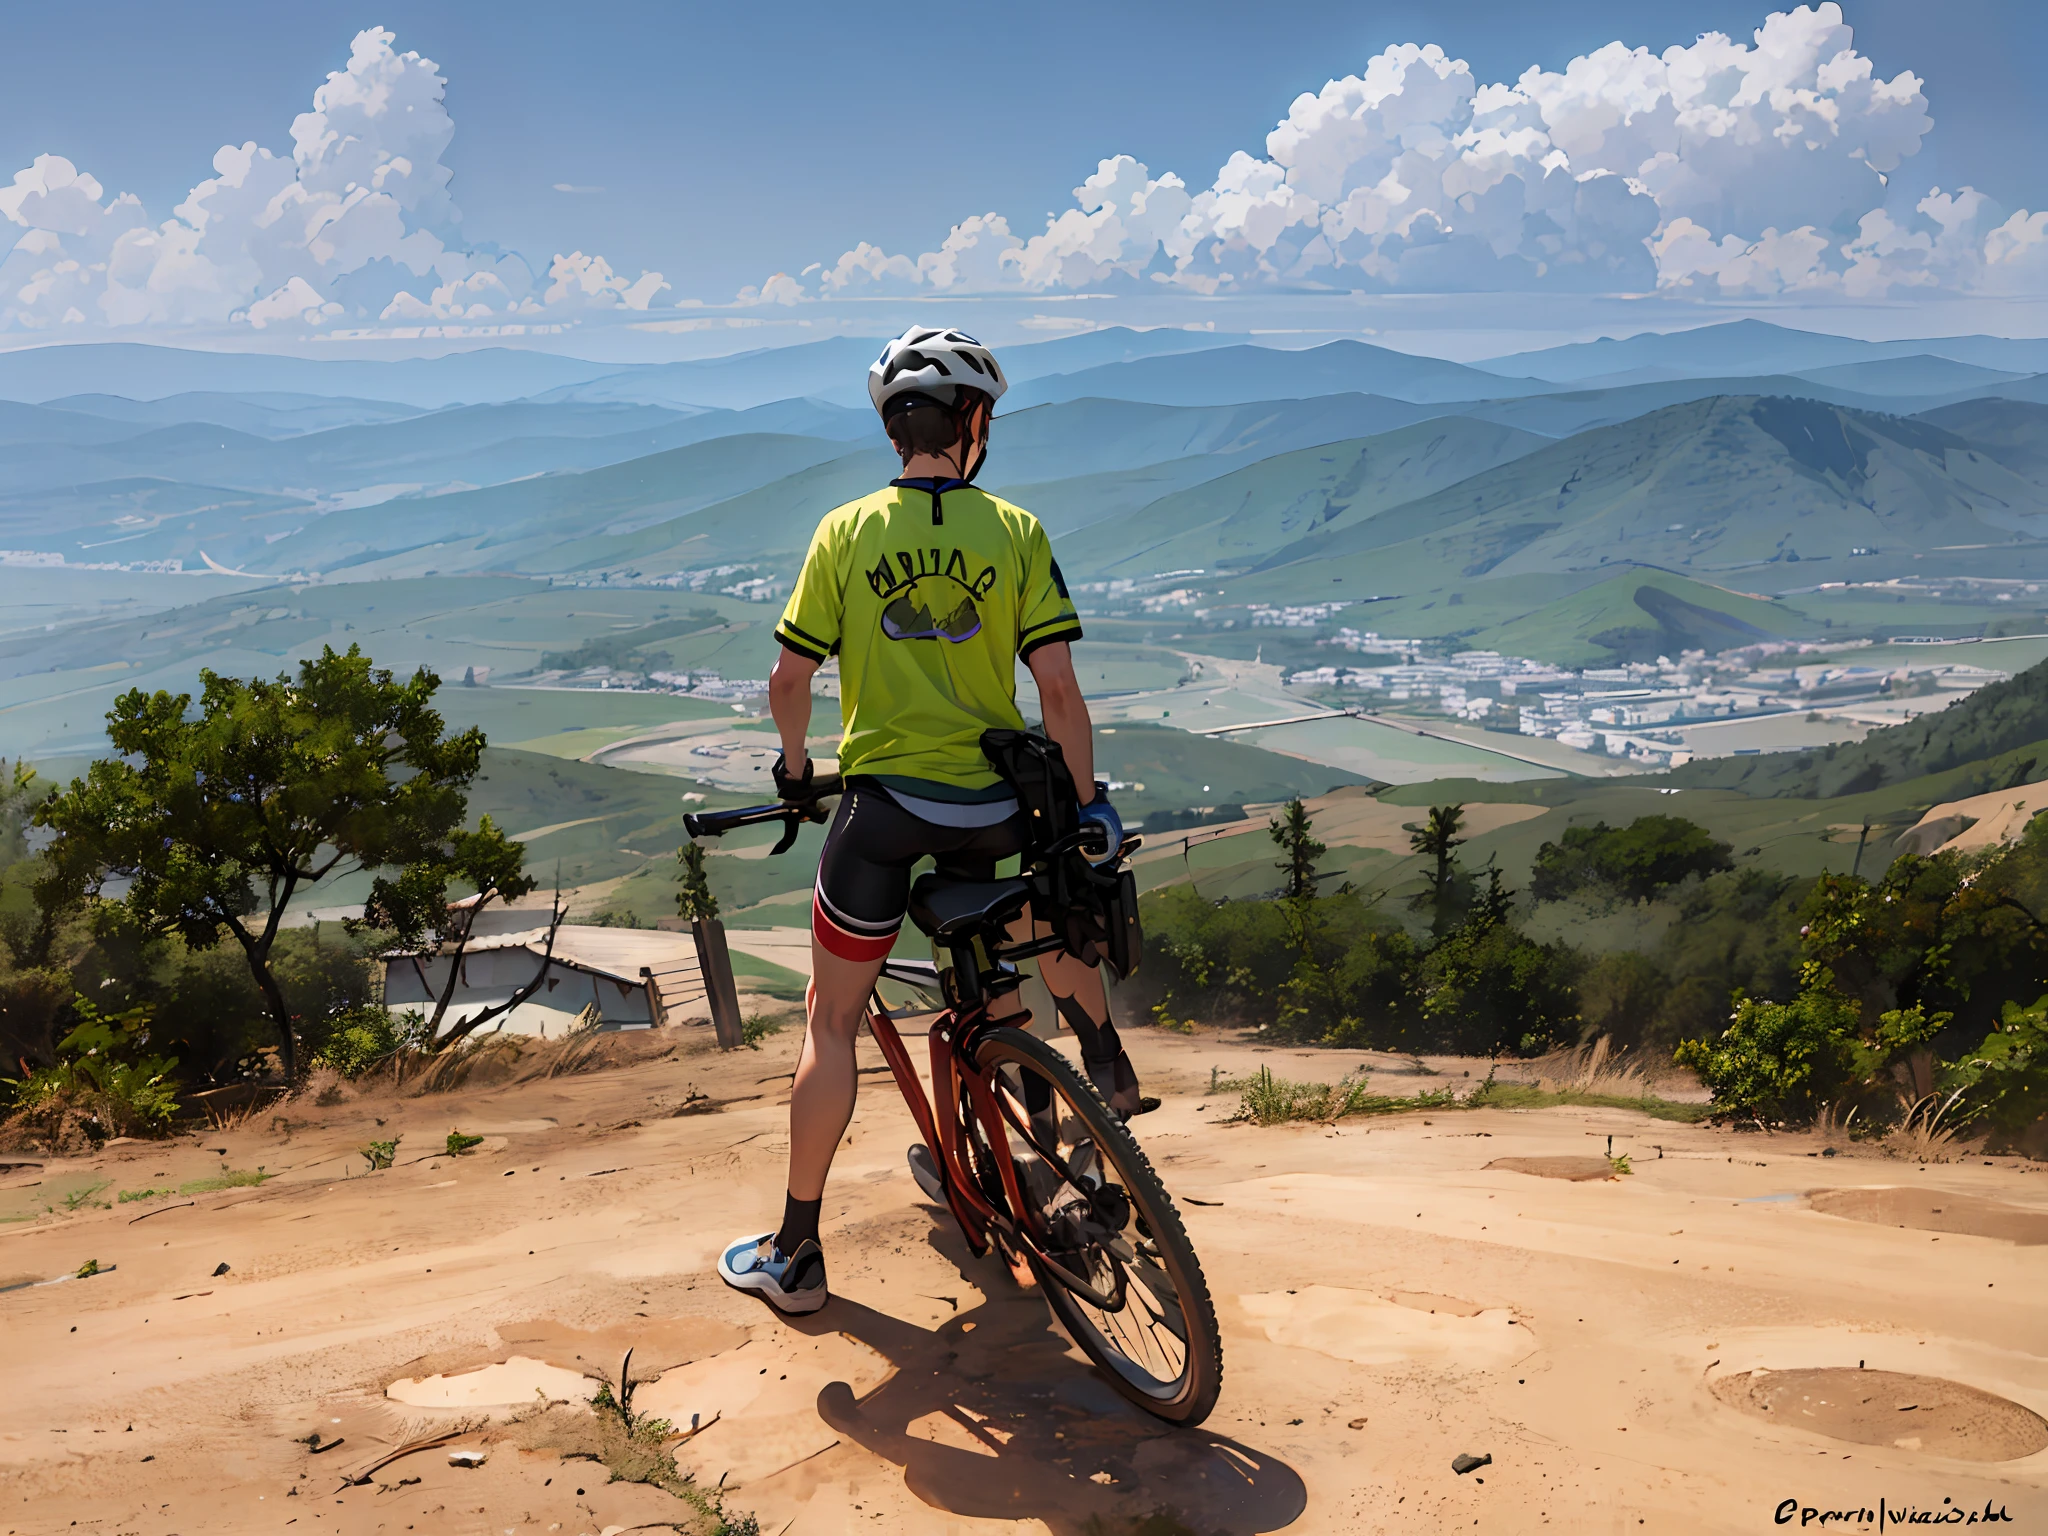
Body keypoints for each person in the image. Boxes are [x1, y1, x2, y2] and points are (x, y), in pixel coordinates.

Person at [718, 326, 1141, 1315]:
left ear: (893, 428)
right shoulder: (1016, 531)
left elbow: (788, 677)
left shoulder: (844, 530)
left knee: (830, 1022)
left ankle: (794, 1254)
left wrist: (795, 768)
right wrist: (1084, 810)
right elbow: (1060, 699)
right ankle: (1069, 1098)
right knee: (1015, 941)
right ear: (974, 420)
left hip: (881, 812)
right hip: (995, 809)